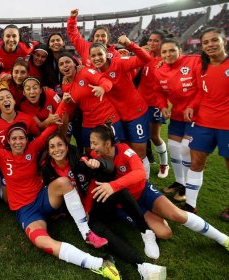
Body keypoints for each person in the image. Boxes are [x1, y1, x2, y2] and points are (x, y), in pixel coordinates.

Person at [0, 121, 120, 279]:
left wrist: (61, 109)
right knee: (42, 242)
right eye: (14, 139)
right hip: (27, 211)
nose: (18, 142)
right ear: (8, 141)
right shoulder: (1, 154)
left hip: (42, 198)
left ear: (27, 140)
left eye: (21, 138)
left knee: (64, 182)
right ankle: (100, 264)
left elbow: (51, 129)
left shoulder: (32, 148)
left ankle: (86, 233)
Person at [41, 132, 166, 279]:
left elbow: (109, 168)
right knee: (102, 231)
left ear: (67, 147)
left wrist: (98, 164)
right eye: (52, 147)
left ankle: (145, 231)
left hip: (95, 203)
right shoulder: (47, 170)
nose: (57, 149)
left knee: (118, 190)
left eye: (60, 145)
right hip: (83, 216)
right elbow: (50, 196)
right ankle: (142, 265)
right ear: (48, 151)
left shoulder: (80, 160)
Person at [88, 124, 229, 251]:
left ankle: (222, 238)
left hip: (144, 192)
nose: (92, 147)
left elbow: (141, 172)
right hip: (127, 205)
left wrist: (113, 185)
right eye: (91, 143)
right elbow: (89, 175)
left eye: (95, 143)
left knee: (177, 214)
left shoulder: (125, 151)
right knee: (165, 233)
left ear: (107, 143)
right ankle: (156, 215)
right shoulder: (94, 156)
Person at [88, 37, 151, 177]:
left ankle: (144, 184)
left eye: (100, 54)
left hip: (136, 113)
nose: (97, 58)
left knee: (139, 153)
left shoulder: (120, 63)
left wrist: (130, 44)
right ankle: (131, 179)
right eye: (93, 55)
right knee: (126, 152)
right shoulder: (92, 72)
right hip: (118, 118)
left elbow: (146, 59)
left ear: (106, 54)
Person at [183, 27, 229, 217]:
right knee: (196, 161)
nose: (210, 45)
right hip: (203, 122)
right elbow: (201, 92)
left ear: (224, 41)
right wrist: (192, 106)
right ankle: (190, 205)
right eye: (206, 42)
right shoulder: (202, 66)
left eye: (214, 40)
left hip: (226, 125)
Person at [154, 38, 201, 202]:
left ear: (180, 49)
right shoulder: (159, 69)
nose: (168, 54)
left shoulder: (194, 61)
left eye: (172, 50)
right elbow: (159, 91)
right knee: (174, 149)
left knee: (186, 150)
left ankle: (189, 188)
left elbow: (203, 87)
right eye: (164, 52)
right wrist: (163, 106)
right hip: (177, 115)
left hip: (197, 115)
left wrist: (194, 106)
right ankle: (180, 182)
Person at [57, 52, 121, 154]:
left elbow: (106, 82)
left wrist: (102, 88)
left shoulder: (85, 72)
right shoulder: (65, 85)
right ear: (59, 69)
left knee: (113, 151)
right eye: (61, 64)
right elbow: (71, 107)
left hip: (107, 117)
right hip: (89, 122)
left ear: (75, 64)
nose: (65, 65)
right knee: (90, 153)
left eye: (67, 62)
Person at [0, 88, 40, 201]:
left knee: (33, 192)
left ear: (14, 101)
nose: (5, 100)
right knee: (8, 200)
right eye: (1, 99)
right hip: (7, 164)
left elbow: (38, 137)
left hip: (27, 161)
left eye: (8, 97)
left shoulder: (26, 119)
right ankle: (0, 179)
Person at [138, 30, 170, 179]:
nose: (151, 43)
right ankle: (141, 163)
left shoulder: (165, 60)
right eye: (150, 40)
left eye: (155, 41)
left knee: (154, 136)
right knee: (141, 136)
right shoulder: (145, 56)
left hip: (155, 103)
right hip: (139, 102)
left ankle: (164, 165)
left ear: (162, 43)